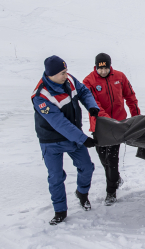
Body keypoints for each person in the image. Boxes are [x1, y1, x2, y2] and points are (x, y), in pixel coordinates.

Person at [32, 56, 101, 225]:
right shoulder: (41, 97)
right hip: (51, 141)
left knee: (87, 168)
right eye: (62, 73)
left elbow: (84, 91)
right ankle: (60, 211)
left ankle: (82, 193)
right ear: (51, 75)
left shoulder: (68, 80)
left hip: (73, 137)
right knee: (56, 177)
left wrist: (91, 106)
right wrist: (83, 139)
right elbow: (60, 123)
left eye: (66, 71)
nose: (66, 75)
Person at [83, 52, 141, 206]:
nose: (103, 71)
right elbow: (93, 103)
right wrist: (107, 120)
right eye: (100, 68)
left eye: (106, 68)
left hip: (118, 125)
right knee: (103, 158)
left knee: (112, 158)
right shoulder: (89, 81)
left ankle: (111, 192)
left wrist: (137, 118)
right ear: (96, 67)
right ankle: (116, 178)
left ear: (110, 66)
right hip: (100, 125)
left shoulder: (120, 77)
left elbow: (130, 97)